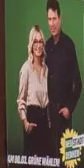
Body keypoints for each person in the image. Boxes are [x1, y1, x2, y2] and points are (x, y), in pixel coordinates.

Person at [45, 0, 83, 160]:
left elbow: (78, 83)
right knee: (47, 160)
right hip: (47, 115)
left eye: (54, 19)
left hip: (63, 116)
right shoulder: (45, 46)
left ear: (60, 19)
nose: (52, 24)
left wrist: (69, 108)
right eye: (49, 19)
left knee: (66, 162)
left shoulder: (69, 45)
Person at [16, 25, 50, 159]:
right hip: (32, 119)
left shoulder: (47, 70)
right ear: (31, 44)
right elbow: (21, 99)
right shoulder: (26, 69)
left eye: (41, 41)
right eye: (35, 41)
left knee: (47, 165)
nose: (38, 45)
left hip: (45, 122)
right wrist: (25, 122)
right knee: (32, 164)